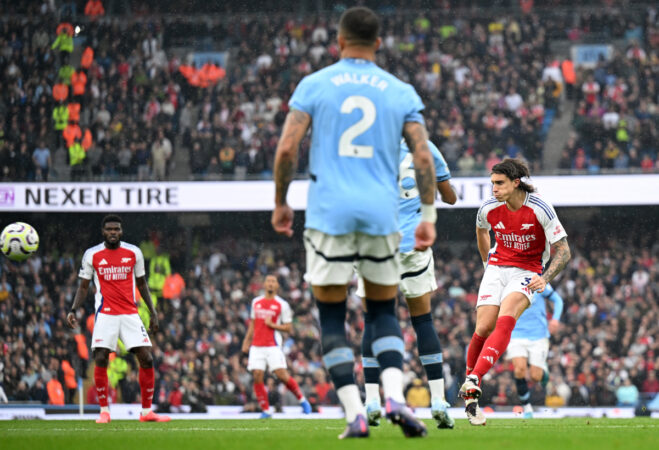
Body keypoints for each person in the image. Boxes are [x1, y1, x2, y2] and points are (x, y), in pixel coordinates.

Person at [271, 6, 436, 439]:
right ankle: (395, 395)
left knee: (331, 315)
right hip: (382, 215)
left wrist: (281, 203)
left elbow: (287, 148)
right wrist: (429, 216)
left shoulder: (315, 84)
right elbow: (422, 156)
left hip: (328, 214)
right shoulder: (399, 90)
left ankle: (355, 414)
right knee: (383, 311)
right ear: (378, 44)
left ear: (339, 42)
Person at [459, 158, 571, 426]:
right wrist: (487, 264)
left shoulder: (540, 207)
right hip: (496, 268)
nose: (494, 189)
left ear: (516, 182)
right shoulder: (488, 208)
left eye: (499, 183)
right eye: (492, 183)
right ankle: (470, 400)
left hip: (527, 271)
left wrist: (545, 278)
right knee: (483, 327)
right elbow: (481, 231)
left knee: (506, 317)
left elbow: (564, 251)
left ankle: (473, 380)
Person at [359, 139, 456, 429]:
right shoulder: (425, 148)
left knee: (373, 321)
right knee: (423, 321)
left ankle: (372, 401)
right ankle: (438, 400)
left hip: (376, 245)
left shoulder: (366, 147)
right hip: (414, 246)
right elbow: (449, 197)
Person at [67, 214, 170, 423]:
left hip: (130, 313)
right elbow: (84, 286)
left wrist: (153, 312)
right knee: (101, 358)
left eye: (116, 229)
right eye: (109, 229)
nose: (113, 232)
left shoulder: (134, 252)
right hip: (106, 314)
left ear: (121, 231)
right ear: (103, 231)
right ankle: (104, 411)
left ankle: (146, 412)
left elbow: (142, 284)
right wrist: (73, 309)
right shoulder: (92, 254)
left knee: (147, 358)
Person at [240, 275, 312, 418]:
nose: (271, 284)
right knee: (257, 375)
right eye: (268, 281)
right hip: (256, 345)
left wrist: (273, 325)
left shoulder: (282, 304)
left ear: (277, 285)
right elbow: (253, 324)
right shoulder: (256, 302)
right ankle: (266, 410)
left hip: (273, 345)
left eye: (273, 282)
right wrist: (246, 342)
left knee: (282, 375)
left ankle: (302, 400)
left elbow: (288, 328)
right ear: (264, 285)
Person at [506, 283, 564, 418]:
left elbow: (558, 300)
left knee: (535, 376)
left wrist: (555, 320)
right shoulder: (508, 281)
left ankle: (544, 373)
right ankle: (527, 408)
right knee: (519, 369)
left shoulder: (537, 281)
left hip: (539, 335)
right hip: (516, 334)